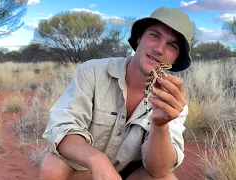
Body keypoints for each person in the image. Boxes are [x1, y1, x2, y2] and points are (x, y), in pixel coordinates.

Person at [40, 6, 194, 180]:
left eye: (172, 45)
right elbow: (62, 127)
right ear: (139, 38)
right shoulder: (92, 71)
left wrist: (160, 125)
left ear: (175, 59)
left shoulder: (172, 102)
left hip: (131, 175)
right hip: (87, 169)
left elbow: (159, 170)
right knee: (53, 166)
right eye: (154, 35)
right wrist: (98, 160)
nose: (159, 48)